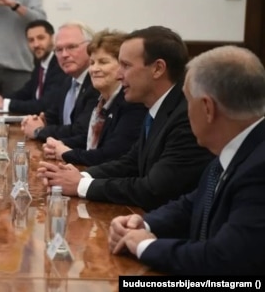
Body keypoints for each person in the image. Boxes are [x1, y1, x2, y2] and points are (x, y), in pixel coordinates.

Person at [109, 46, 265, 275]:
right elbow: (193, 204)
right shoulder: (236, 148)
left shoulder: (259, 168)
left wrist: (143, 245)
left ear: (207, 108)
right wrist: (143, 224)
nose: (185, 111)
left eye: (187, 101)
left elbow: (224, 259)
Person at [38, 26, 214, 211]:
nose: (118, 74)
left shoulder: (186, 116)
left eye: (126, 66)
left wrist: (81, 185)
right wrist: (81, 176)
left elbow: (154, 190)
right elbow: (131, 162)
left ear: (158, 69)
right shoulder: (158, 105)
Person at [43, 29, 146, 166]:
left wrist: (65, 153)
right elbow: (90, 137)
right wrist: (60, 144)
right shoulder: (102, 99)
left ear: (123, 66)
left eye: (103, 62)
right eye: (92, 63)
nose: (94, 69)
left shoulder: (132, 103)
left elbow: (110, 154)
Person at [20, 22, 99, 144]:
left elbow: (81, 131)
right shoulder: (67, 79)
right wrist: (40, 120)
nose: (64, 55)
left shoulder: (97, 82)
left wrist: (39, 131)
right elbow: (54, 115)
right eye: (58, 49)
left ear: (91, 47)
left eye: (72, 47)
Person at [0, 19, 68, 115]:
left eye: (41, 38)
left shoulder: (60, 65)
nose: (36, 44)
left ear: (53, 38)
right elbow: (25, 92)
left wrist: (6, 104)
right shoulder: (40, 64)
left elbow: (44, 105)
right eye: (31, 40)